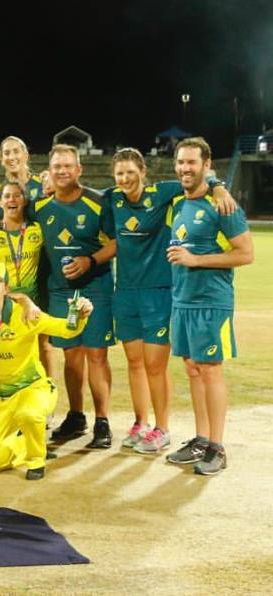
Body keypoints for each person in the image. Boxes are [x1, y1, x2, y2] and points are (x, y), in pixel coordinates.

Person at [104, 148, 235, 453]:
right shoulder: (112, 199)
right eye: (119, 173)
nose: (125, 178)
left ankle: (162, 428)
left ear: (143, 170)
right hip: (124, 292)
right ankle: (141, 422)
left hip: (159, 292)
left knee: (154, 365)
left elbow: (197, 178)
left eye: (130, 171)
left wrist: (218, 186)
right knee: (133, 362)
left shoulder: (162, 193)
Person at [165, 137, 253, 475]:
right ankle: (201, 439)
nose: (186, 168)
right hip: (182, 300)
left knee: (210, 369)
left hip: (211, 303)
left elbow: (245, 254)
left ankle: (217, 447)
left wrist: (195, 259)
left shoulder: (224, 206)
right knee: (192, 368)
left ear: (206, 164)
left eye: (192, 162)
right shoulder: (178, 204)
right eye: (181, 162)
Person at [29, 144, 116, 449]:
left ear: (79, 170)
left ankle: (102, 421)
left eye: (68, 166)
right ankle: (76, 416)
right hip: (60, 291)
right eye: (57, 167)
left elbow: (116, 243)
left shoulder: (97, 202)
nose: (63, 171)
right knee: (71, 355)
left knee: (96, 354)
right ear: (49, 173)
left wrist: (90, 261)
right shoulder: (39, 208)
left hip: (96, 287)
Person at [0, 260, 92, 480]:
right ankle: (25, 444)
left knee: (29, 414)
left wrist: (81, 314)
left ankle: (37, 458)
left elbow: (66, 329)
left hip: (32, 388)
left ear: (5, 288)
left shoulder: (26, 315)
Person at [0, 181, 55, 380]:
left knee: (43, 348)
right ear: (0, 202)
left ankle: (48, 394)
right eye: (7, 196)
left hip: (35, 301)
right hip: (4, 302)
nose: (12, 199)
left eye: (17, 195)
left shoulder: (37, 230)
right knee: (4, 350)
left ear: (24, 201)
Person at [0, 136, 45, 202]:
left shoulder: (43, 186)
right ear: (2, 160)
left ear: (26, 156)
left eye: (16, 151)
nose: (11, 157)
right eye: (7, 153)